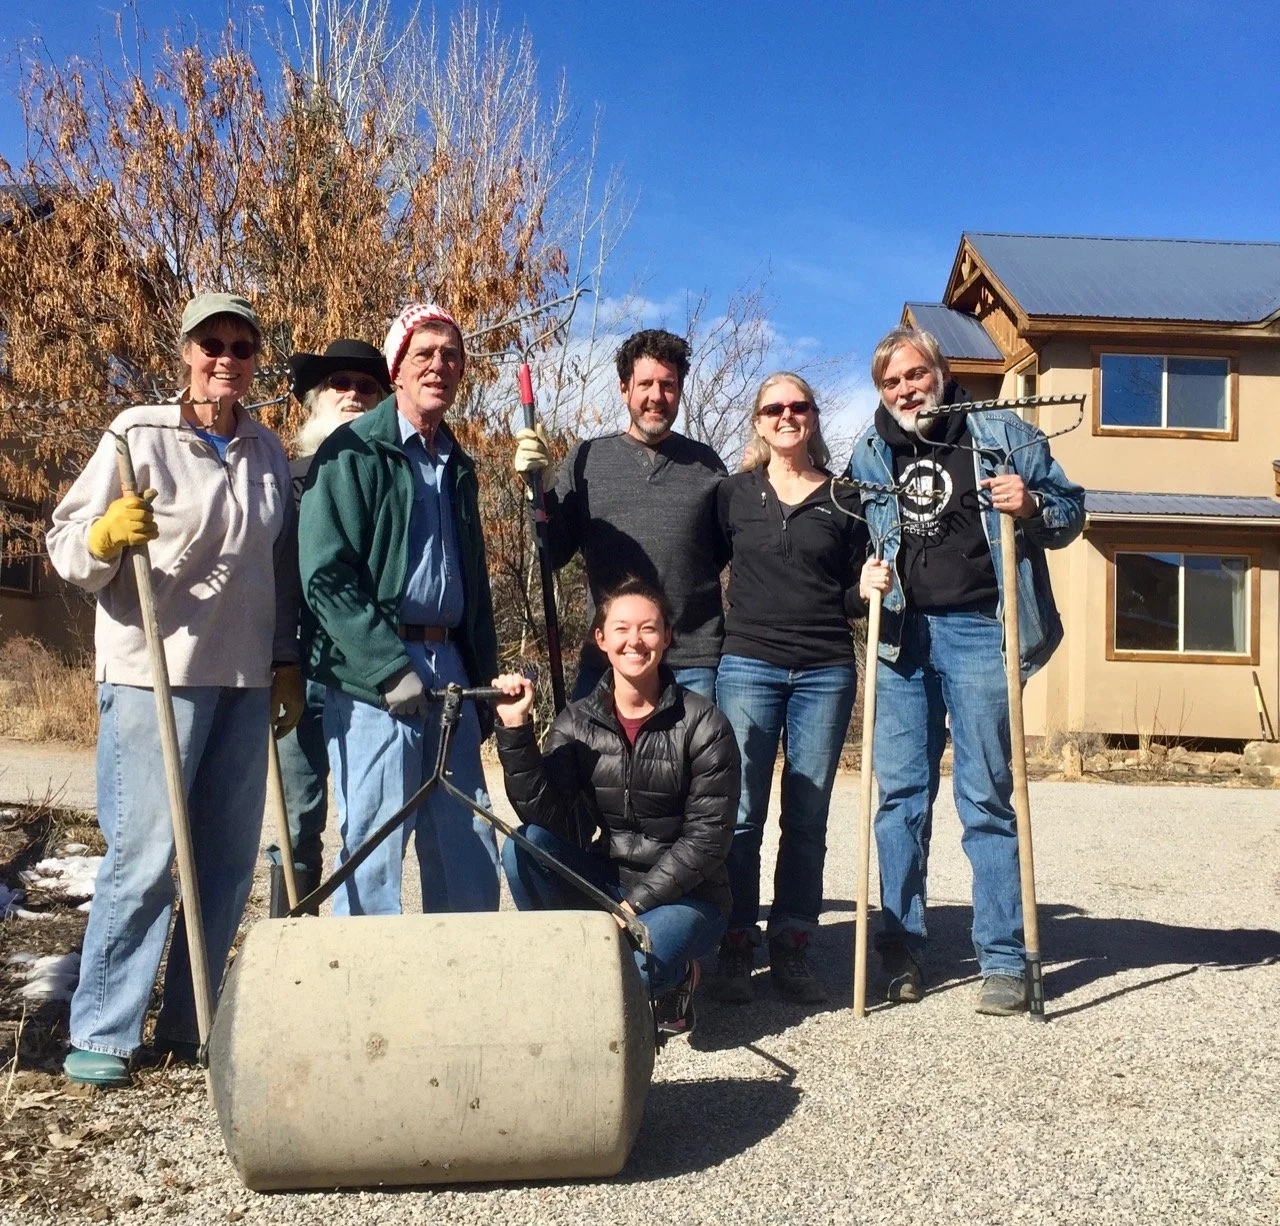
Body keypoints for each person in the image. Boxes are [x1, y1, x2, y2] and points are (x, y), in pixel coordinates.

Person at [46, 292, 302, 1087]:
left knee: (224, 861)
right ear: (185, 352)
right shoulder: (137, 434)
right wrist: (102, 536)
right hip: (151, 674)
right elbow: (64, 546)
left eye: (241, 345)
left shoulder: (267, 452)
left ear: (256, 357)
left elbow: (279, 568)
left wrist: (284, 658)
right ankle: (105, 1029)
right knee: (150, 855)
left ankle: (195, 1019)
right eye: (210, 344)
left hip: (242, 678)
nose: (225, 358)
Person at [849, 327, 1085, 1015]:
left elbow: (1071, 513)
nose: (905, 389)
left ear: (943, 374)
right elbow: (853, 542)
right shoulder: (869, 450)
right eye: (891, 382)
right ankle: (900, 953)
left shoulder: (1002, 435)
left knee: (985, 796)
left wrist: (1032, 504)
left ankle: (1005, 959)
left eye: (916, 374)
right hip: (900, 638)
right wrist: (862, 578)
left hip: (983, 629)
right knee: (899, 801)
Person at [299, 303, 501, 915]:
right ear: (398, 368)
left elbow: (476, 587)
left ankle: (460, 988)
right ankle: (365, 994)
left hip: (452, 673)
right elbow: (325, 575)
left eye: (451, 355)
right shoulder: (354, 451)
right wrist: (387, 666)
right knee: (375, 842)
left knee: (468, 838)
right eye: (424, 353)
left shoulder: (458, 466)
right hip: (375, 672)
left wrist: (482, 677)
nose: (439, 366)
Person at [491, 577, 739, 1038]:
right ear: (601, 639)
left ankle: (680, 976)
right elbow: (551, 821)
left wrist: (631, 909)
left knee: (627, 971)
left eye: (648, 629)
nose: (635, 641)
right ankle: (570, 962)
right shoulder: (577, 721)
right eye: (621, 628)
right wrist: (515, 731)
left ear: (666, 637)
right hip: (610, 882)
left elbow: (707, 841)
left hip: (689, 897)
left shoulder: (705, 725)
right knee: (523, 846)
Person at [712, 372, 867, 1004]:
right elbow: (699, 569)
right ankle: (734, 939)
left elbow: (856, 593)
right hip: (748, 663)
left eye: (797, 406)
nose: (786, 415)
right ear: (757, 421)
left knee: (807, 814)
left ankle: (793, 942)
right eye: (773, 407)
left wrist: (871, 585)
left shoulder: (845, 498)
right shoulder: (732, 495)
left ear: (813, 417)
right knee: (741, 813)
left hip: (825, 669)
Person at [512, 329, 726, 700]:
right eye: (645, 384)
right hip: (608, 659)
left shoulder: (707, 466)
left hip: (692, 664)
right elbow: (553, 551)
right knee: (585, 758)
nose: (656, 396)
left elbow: (722, 554)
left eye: (668, 384)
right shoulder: (587, 459)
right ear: (624, 389)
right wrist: (539, 489)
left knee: (695, 760)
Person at [265, 339, 390, 909]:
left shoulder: (397, 478)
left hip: (362, 671)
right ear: (316, 399)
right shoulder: (284, 477)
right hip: (293, 664)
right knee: (295, 822)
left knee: (368, 822)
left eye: (366, 386)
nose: (353, 394)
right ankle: (287, 943)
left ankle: (350, 955)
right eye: (339, 384)